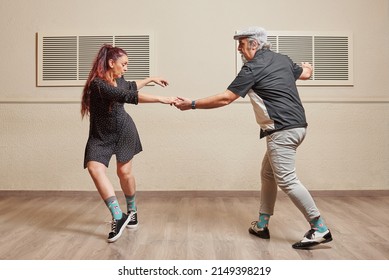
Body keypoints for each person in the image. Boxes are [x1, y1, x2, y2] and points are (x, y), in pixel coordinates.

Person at [174, 27, 332, 249]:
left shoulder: (252, 68)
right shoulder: (282, 59)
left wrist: (191, 104)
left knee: (287, 180)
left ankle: (320, 228)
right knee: (268, 174)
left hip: (281, 130)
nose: (239, 48)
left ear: (255, 44)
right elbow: (305, 74)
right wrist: (309, 66)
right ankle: (262, 224)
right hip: (297, 127)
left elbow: (225, 98)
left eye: (242, 43)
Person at [81, 44, 175, 243]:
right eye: (123, 64)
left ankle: (132, 210)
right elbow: (127, 96)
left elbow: (130, 87)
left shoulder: (118, 79)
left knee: (124, 173)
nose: (126, 68)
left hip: (124, 130)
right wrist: (161, 99)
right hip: (101, 135)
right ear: (110, 63)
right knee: (94, 168)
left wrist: (150, 79)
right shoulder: (98, 84)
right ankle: (118, 215)